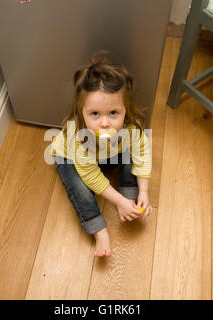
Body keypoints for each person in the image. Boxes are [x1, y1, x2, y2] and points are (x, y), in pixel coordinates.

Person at [51, 50, 153, 257]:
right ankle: (99, 230)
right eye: (95, 114)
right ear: (82, 112)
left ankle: (129, 197)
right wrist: (117, 202)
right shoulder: (76, 138)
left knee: (130, 155)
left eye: (113, 113)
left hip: (106, 154)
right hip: (72, 159)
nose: (105, 123)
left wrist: (143, 192)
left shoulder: (131, 128)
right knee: (80, 189)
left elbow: (142, 156)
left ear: (126, 110)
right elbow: (93, 178)